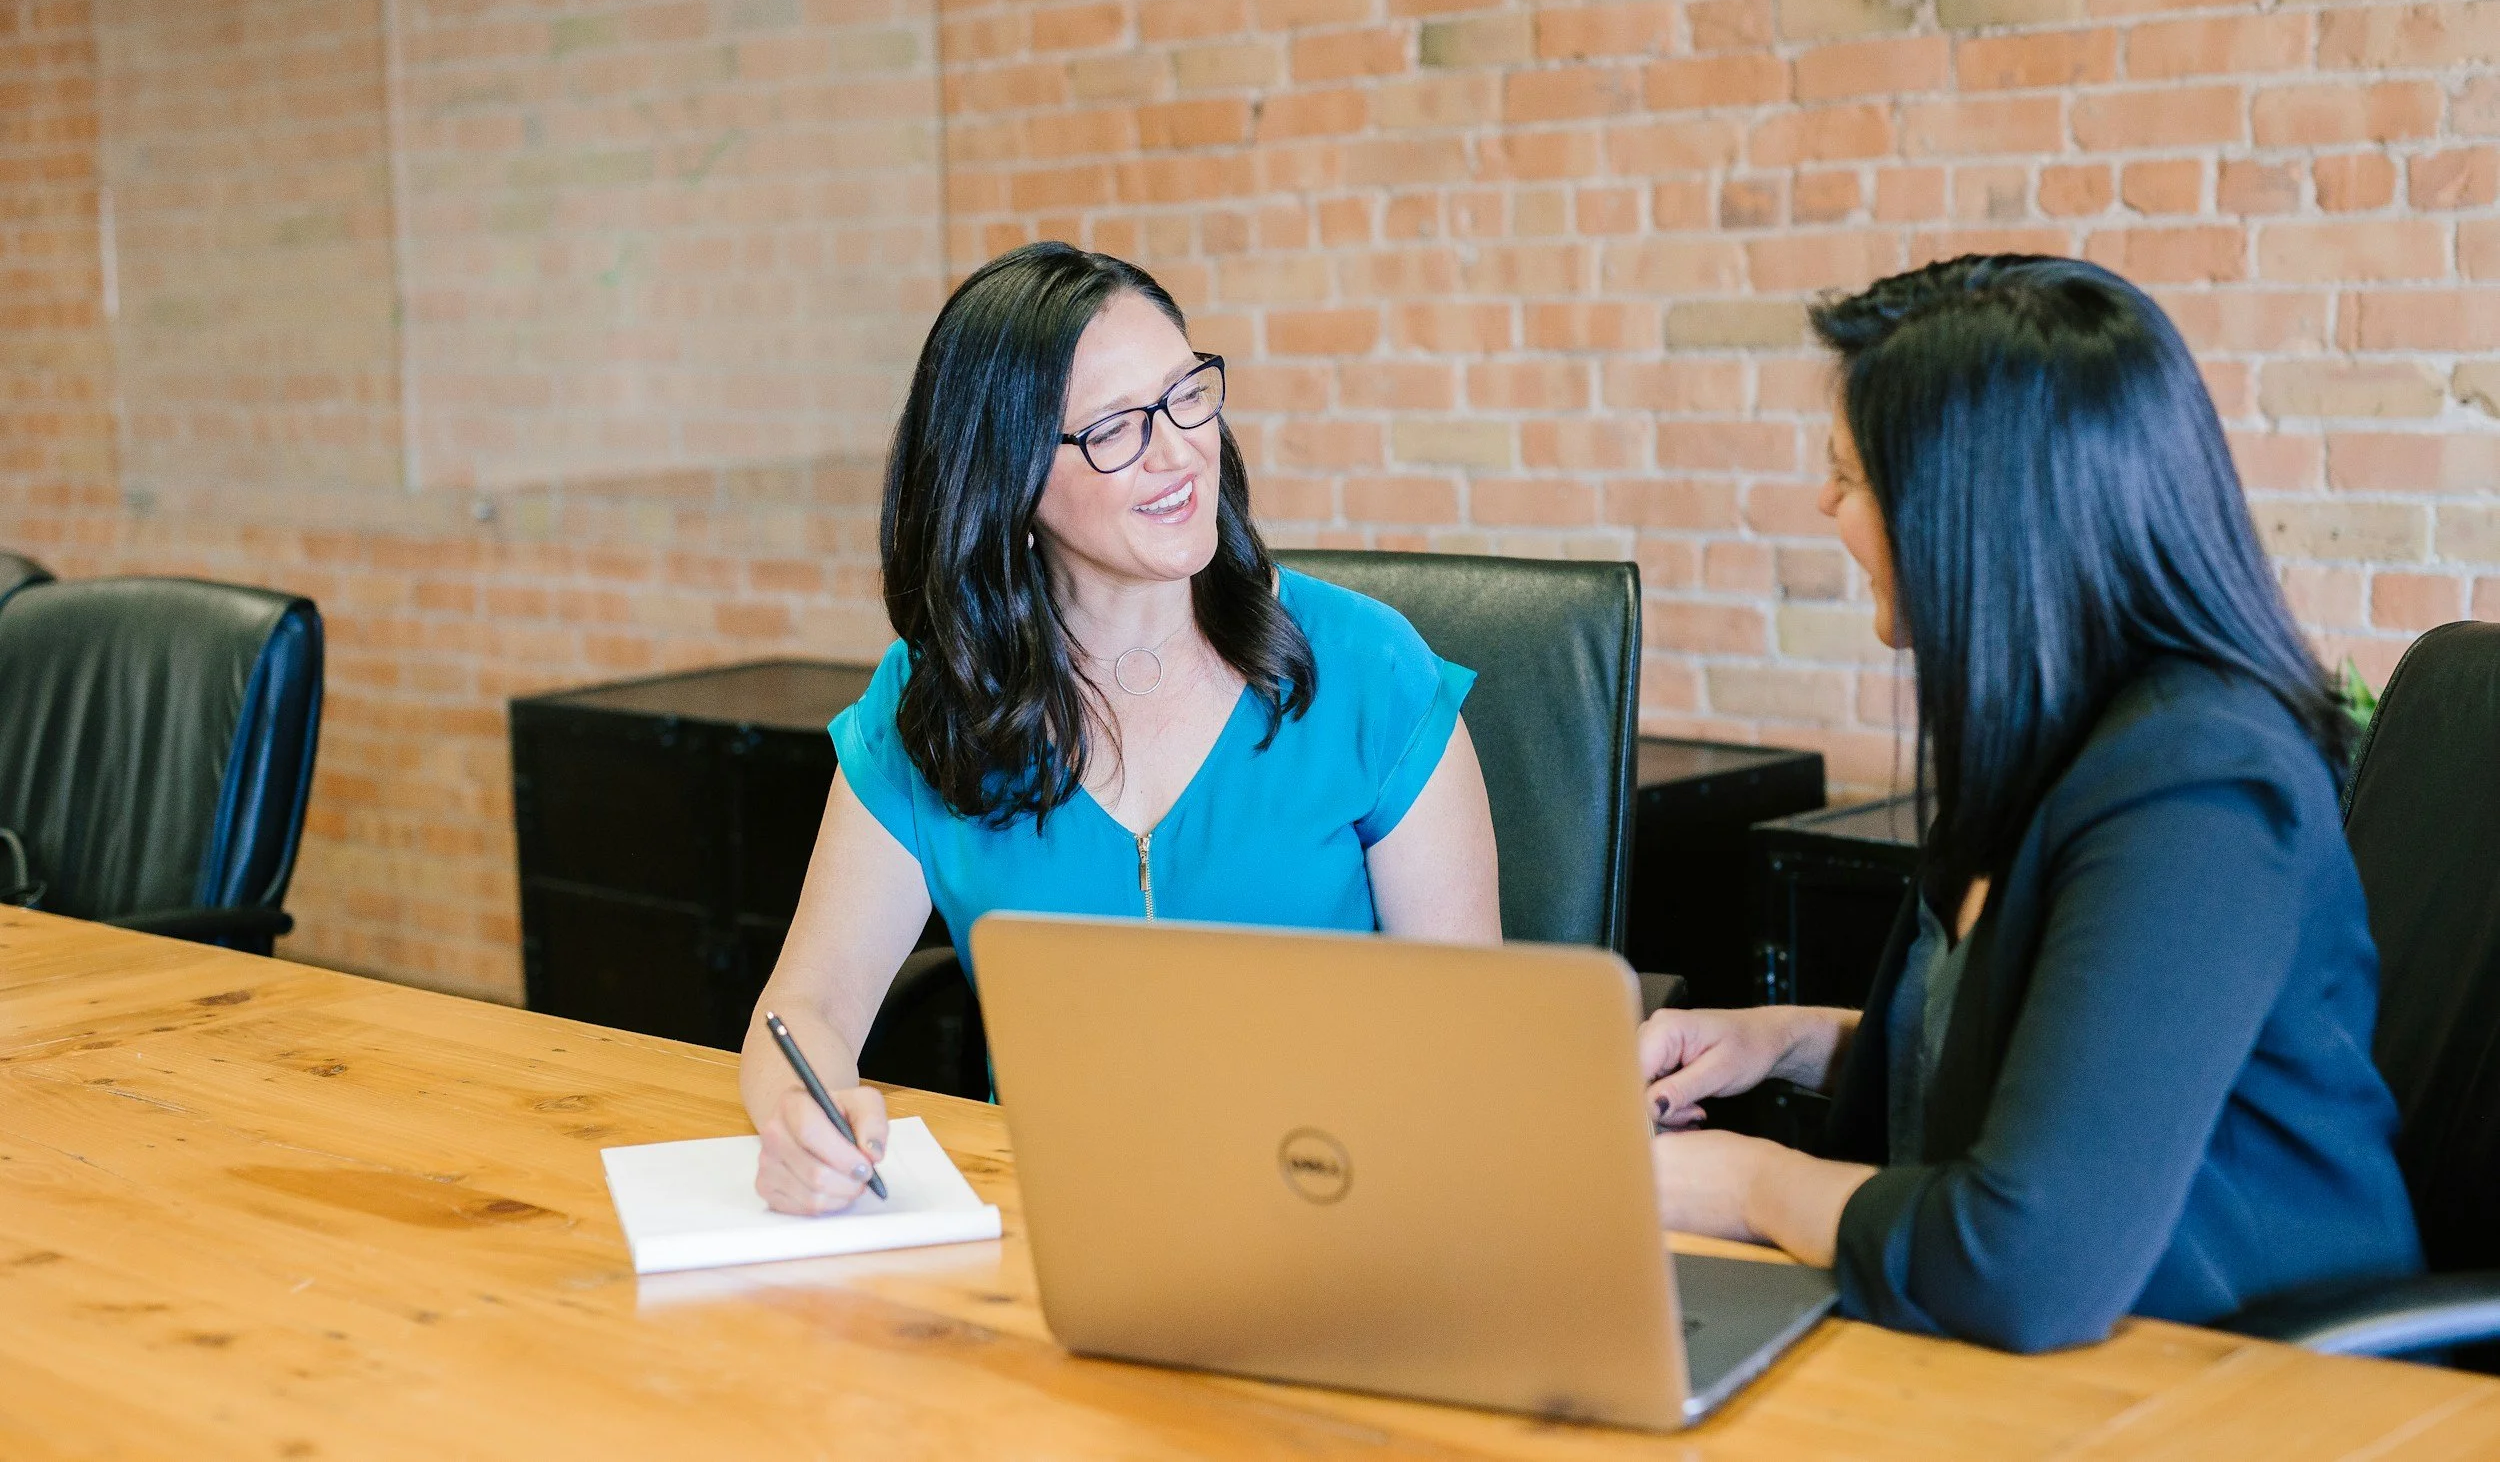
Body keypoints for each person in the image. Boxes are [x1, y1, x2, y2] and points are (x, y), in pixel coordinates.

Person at [1638, 256, 2422, 1351]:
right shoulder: (2053, 734)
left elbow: (2021, 1260)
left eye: (1848, 475)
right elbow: (2041, 1060)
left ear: (1970, 514)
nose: (1823, 503)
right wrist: (1784, 1039)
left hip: (2244, 1375)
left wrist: (1747, 1184)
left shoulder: (2197, 788)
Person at [742, 242, 1501, 1215]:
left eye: (1188, 393)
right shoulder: (934, 705)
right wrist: (797, 1120)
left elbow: (1474, 1041)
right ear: (1007, 479)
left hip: (1339, 1212)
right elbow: (803, 1006)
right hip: (1051, 1228)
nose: (1179, 448)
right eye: (1114, 429)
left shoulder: (1368, 671)